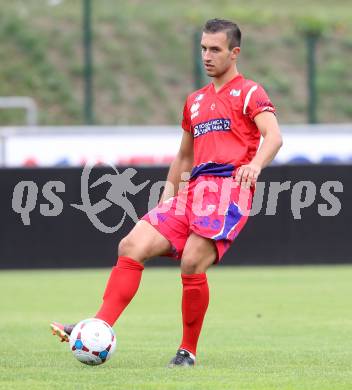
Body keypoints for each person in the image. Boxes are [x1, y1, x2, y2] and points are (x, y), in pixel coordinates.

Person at [51, 18, 283, 367]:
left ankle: (187, 351)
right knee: (131, 245)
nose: (207, 55)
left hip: (228, 190)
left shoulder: (250, 92)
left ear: (234, 53)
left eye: (215, 49)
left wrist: (256, 165)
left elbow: (274, 136)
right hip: (192, 192)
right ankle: (98, 326)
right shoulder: (195, 101)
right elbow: (185, 155)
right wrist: (169, 195)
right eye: (203, 48)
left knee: (191, 262)